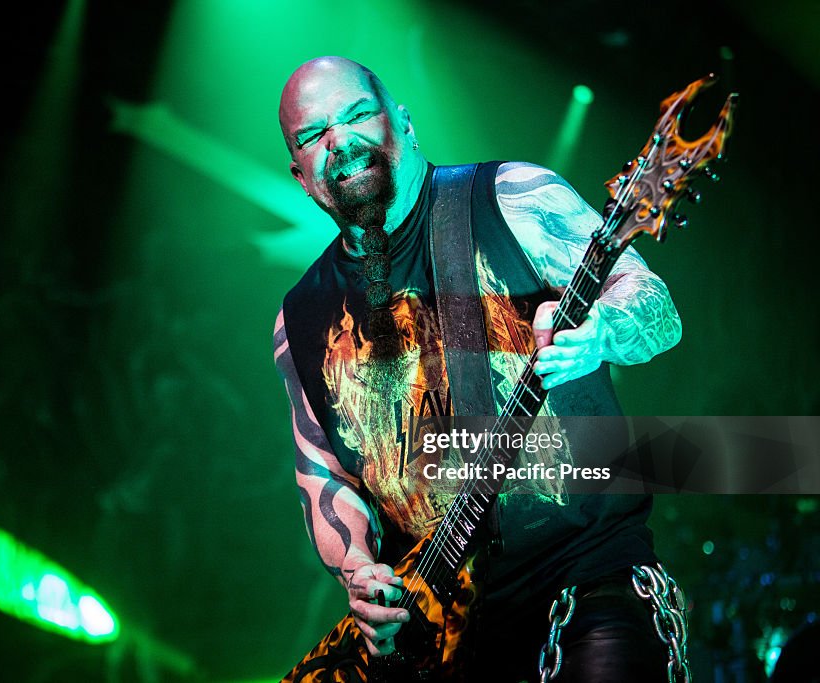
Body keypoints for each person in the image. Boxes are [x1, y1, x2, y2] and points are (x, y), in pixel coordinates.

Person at [273, 56, 688, 682]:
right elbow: (321, 478)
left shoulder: (511, 197)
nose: (341, 140)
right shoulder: (299, 319)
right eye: (314, 134)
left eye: (358, 114)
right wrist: (358, 569)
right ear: (301, 174)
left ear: (402, 122)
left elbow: (657, 309)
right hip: (437, 629)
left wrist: (600, 332)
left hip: (584, 576)